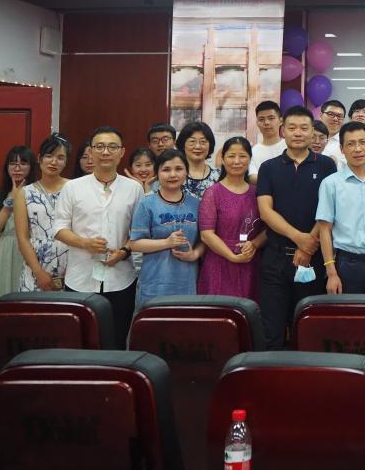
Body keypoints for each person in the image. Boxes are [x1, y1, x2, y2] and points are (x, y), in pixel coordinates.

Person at [53, 126, 143, 345]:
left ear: (121, 152)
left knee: (117, 341)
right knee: (81, 341)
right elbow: (59, 228)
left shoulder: (134, 188)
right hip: (80, 278)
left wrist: (124, 252)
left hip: (121, 278)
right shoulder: (72, 187)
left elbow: (139, 231)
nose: (105, 152)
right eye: (100, 147)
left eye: (112, 147)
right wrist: (84, 243)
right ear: (91, 152)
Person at [257, 105, 337, 349]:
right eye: (292, 128)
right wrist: (299, 239)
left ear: (313, 131)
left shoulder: (326, 165)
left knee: (307, 329)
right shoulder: (268, 167)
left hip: (313, 259)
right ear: (283, 131)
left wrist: (307, 245)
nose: (298, 133)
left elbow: (328, 211)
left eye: (304, 128)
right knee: (272, 329)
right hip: (275, 258)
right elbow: (265, 212)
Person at [316, 121, 365, 295]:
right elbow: (324, 230)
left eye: (362, 142)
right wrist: (331, 273)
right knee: (350, 312)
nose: (358, 149)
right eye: (351, 144)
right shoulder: (331, 184)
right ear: (342, 149)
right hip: (348, 265)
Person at [129, 148, 202, 308]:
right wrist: (167, 243)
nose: (172, 174)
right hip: (155, 283)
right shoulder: (147, 204)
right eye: (166, 169)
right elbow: (135, 244)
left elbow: (204, 240)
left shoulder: (196, 204)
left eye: (179, 169)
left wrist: (195, 254)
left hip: (187, 283)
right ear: (157, 173)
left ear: (186, 172)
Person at [198, 137, 266, 299]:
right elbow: (206, 234)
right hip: (220, 261)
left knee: (250, 310)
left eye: (242, 156)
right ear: (222, 159)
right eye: (231, 156)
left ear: (249, 159)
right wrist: (232, 257)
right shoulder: (213, 193)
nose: (236, 161)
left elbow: (268, 229)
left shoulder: (258, 192)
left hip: (251, 260)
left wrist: (254, 244)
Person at [0, 146, 38, 313]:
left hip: (32, 251)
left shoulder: (38, 195)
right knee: (2, 295)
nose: (17, 168)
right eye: (13, 163)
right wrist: (10, 201)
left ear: (32, 167)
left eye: (23, 163)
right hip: (5, 252)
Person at [14, 135, 72, 293]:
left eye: (60, 158)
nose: (54, 162)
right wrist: (38, 272)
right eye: (49, 156)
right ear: (39, 158)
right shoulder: (24, 193)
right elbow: (22, 238)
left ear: (66, 162)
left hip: (71, 266)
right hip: (35, 265)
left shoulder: (74, 188)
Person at [173, 121, 221, 197]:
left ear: (210, 145)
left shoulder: (219, 176)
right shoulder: (173, 174)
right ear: (183, 145)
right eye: (192, 141)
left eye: (203, 142)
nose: (198, 146)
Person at [248, 101, 286, 181]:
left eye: (271, 118)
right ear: (257, 123)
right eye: (261, 119)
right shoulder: (253, 151)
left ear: (281, 121)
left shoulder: (290, 146)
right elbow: (252, 177)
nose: (266, 123)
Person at [319, 99, 348, 169]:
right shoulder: (309, 139)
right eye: (331, 114)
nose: (335, 119)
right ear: (321, 116)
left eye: (339, 116)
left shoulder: (346, 142)